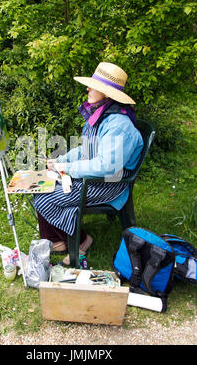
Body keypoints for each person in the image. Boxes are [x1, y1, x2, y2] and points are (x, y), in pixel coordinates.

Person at [33, 62, 144, 265]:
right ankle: (58, 239)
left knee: (45, 197)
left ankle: (82, 240)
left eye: (93, 86)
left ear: (107, 93)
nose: (88, 88)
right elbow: (87, 149)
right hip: (96, 176)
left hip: (109, 183)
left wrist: (67, 169)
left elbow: (106, 167)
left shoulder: (119, 125)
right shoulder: (102, 113)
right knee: (40, 186)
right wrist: (61, 160)